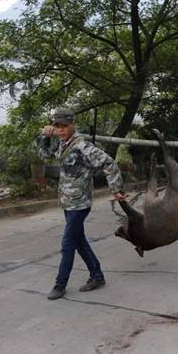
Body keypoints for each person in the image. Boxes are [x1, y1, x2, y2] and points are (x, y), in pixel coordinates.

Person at [39, 108, 126, 300]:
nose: (61, 130)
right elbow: (45, 156)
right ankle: (97, 275)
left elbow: (109, 163)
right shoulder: (63, 143)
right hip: (68, 202)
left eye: (64, 126)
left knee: (68, 243)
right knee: (79, 241)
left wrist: (116, 188)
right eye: (57, 127)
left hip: (80, 204)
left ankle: (60, 284)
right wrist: (45, 137)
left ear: (72, 124)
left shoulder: (82, 146)